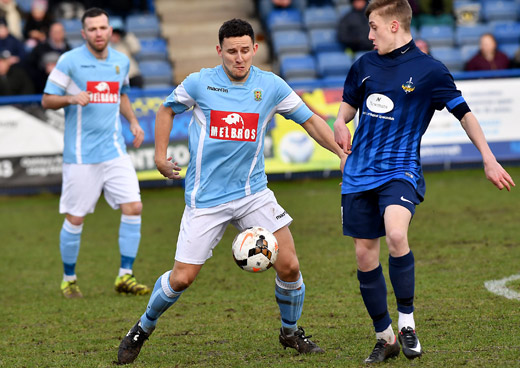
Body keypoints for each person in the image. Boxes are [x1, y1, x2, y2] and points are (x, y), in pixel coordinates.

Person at [117, 18, 347, 365]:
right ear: (219, 51)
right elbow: (166, 109)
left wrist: (343, 154)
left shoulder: (269, 85)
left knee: (289, 266)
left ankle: (290, 332)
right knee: (182, 278)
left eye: (245, 51)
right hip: (205, 199)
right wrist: (160, 155)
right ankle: (142, 328)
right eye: (231, 52)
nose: (239, 58)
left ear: (255, 49)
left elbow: (311, 120)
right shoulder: (200, 82)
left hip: (253, 193)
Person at [333, 0, 515, 364]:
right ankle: (384, 338)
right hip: (358, 173)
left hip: (400, 170)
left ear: (395, 25)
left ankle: (406, 323)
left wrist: (489, 157)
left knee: (397, 235)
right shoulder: (363, 65)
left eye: (374, 27)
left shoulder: (430, 70)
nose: (368, 35)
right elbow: (348, 105)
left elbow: (465, 115)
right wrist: (340, 121)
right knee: (364, 254)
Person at [41, 7, 151, 299]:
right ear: (84, 33)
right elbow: (46, 100)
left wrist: (133, 121)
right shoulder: (70, 61)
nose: (99, 33)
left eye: (103, 28)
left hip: (114, 150)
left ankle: (125, 276)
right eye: (92, 29)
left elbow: (121, 94)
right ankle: (69, 278)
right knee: (76, 218)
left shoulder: (120, 61)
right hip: (81, 155)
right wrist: (70, 98)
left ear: (110, 31)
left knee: (134, 207)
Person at [26, 21, 71, 93]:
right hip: (42, 87)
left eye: (60, 31)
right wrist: (44, 70)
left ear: (64, 33)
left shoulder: (69, 50)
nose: (58, 34)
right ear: (50, 33)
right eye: (55, 31)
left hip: (63, 89)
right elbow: (30, 67)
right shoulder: (39, 48)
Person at [109, 19, 143, 89]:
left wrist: (126, 36)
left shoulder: (126, 42)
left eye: (117, 33)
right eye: (113, 33)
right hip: (116, 78)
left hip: (131, 75)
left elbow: (136, 49)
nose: (115, 36)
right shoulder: (106, 46)